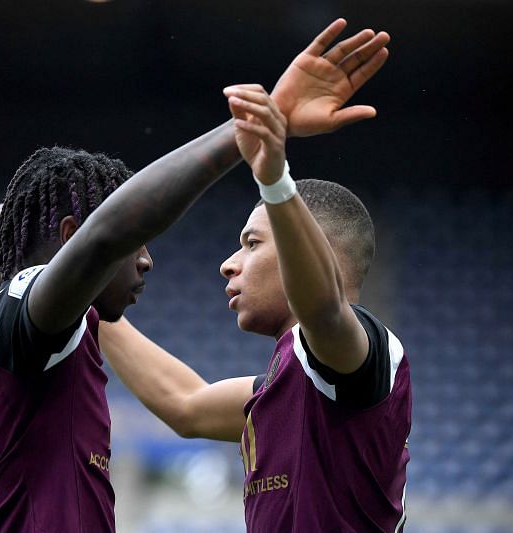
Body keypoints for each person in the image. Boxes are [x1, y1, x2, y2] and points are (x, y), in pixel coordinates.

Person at [0, 18, 392, 532]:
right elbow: (105, 242)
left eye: (251, 243)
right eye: (133, 244)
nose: (227, 263)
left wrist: (0, 264)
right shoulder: (30, 318)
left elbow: (186, 402)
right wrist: (256, 133)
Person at [99, 32, 409, 533]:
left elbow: (325, 310)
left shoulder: (359, 353)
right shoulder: (284, 386)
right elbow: (186, 406)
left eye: (251, 243)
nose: (228, 263)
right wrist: (82, 293)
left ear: (310, 252)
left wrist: (274, 177)